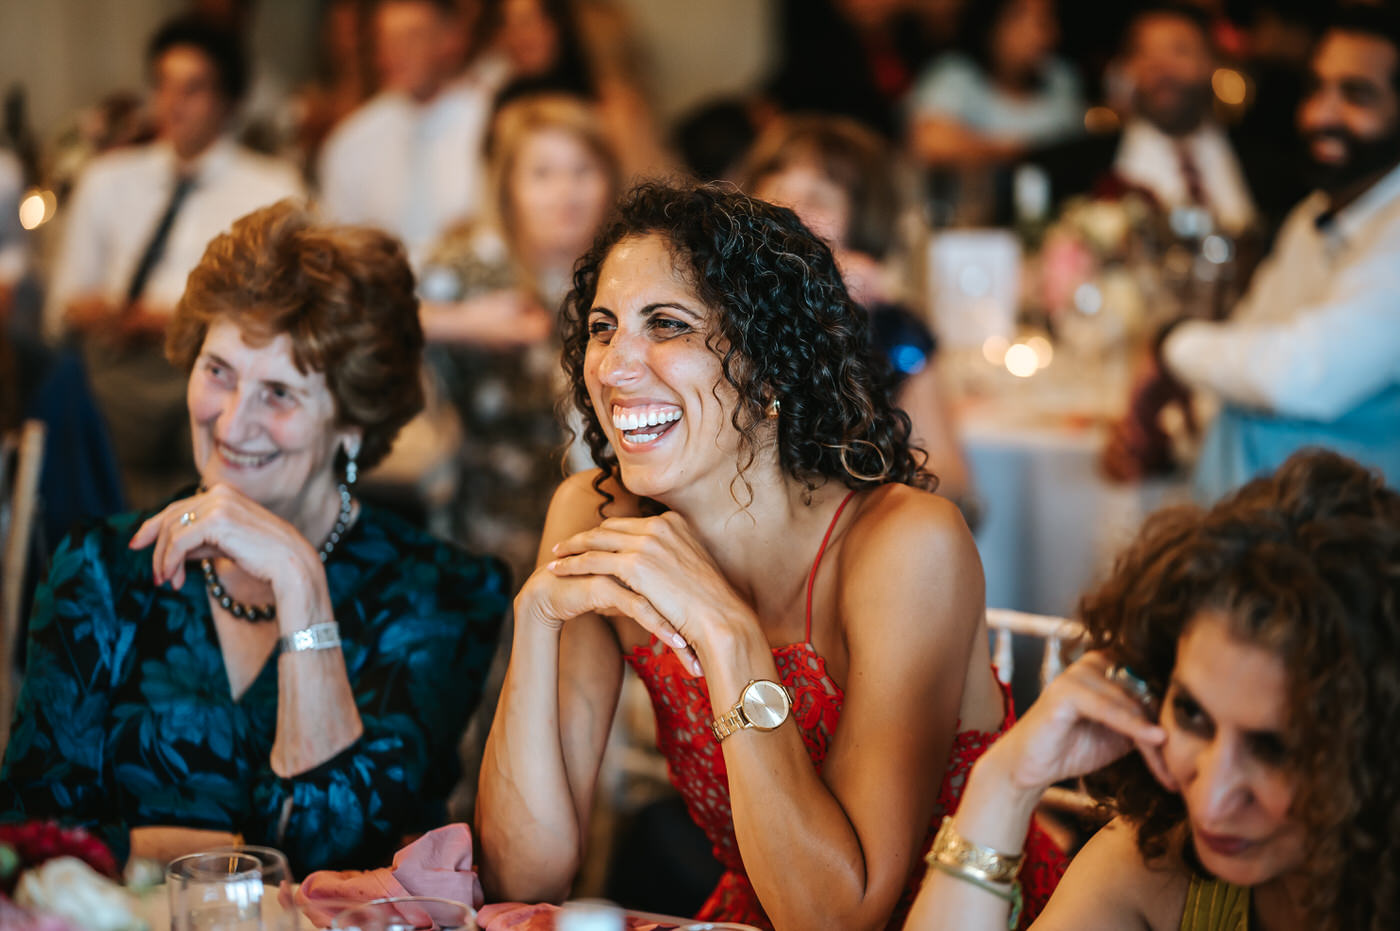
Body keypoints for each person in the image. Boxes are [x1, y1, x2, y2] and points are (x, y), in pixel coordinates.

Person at [476, 182, 1064, 930]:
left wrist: (726, 633)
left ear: (771, 365)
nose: (614, 368)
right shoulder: (596, 512)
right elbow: (522, 877)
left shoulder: (905, 545)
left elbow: (839, 917)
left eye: (667, 325)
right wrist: (536, 623)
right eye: (602, 327)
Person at [0, 202, 509, 875]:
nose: (233, 422)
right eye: (218, 371)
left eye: (279, 393)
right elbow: (33, 837)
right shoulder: (102, 566)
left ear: (351, 424)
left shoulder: (440, 594)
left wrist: (300, 583)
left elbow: (337, 859)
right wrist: (242, 851)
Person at [904, 447, 1400, 930]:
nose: (1210, 801)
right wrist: (1005, 784)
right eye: (1192, 714)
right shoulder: (1160, 867)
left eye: (1274, 749)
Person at [1105, 8, 1400, 499]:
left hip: (1360, 533)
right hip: (1263, 512)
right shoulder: (1314, 215)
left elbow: (1296, 376)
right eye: (1316, 89)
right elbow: (1248, 335)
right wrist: (1174, 428)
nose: (1321, 115)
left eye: (1357, 95)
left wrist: (1169, 345)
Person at [45, 15, 303, 508]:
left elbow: (281, 309)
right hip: (118, 365)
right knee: (64, 402)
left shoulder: (272, 187)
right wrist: (110, 315)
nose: (173, 103)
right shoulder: (108, 178)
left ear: (228, 101)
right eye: (162, 85)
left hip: (215, 364)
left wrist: (175, 320)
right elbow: (64, 302)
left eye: (193, 89)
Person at [417, 92, 620, 585]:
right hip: (491, 535)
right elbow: (363, 321)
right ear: (508, 186)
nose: (566, 193)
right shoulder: (471, 266)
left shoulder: (630, 268)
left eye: (582, 170)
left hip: (612, 526)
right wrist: (462, 321)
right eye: (543, 174)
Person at [740, 115, 974, 513]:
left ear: (861, 220)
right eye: (775, 192)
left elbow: (949, 480)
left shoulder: (890, 329)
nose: (787, 212)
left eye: (816, 200)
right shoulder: (727, 307)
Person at [1027, 3, 1262, 236]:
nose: (1162, 67)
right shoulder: (1080, 167)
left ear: (1211, 62)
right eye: (1144, 53)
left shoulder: (1261, 158)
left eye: (1180, 50)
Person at [317, 0, 498, 268]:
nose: (397, 52)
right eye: (386, 40)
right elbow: (338, 247)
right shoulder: (352, 142)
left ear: (451, 38)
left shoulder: (490, 123)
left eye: (412, 37)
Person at [909, 0, 1083, 167]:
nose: (1045, 35)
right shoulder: (955, 75)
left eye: (1049, 18)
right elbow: (930, 142)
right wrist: (1019, 152)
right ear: (993, 23)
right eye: (1025, 19)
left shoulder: (1062, 77)